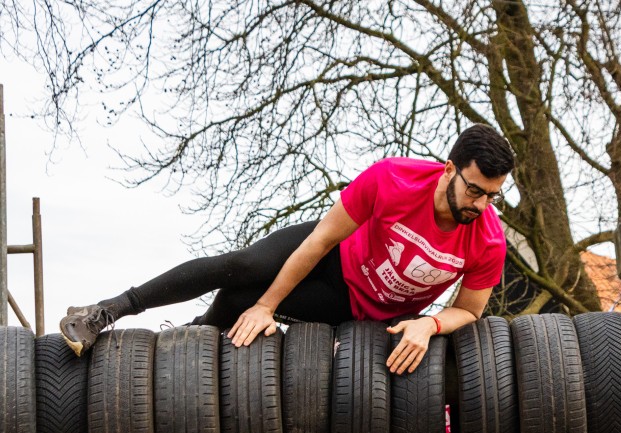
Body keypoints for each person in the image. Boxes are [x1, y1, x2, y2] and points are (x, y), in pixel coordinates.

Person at [59, 124, 515, 377]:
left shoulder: (488, 240)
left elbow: (469, 311)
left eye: (491, 196)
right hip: (334, 257)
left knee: (237, 305)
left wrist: (429, 324)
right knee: (241, 267)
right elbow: (320, 240)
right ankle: (104, 312)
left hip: (356, 308)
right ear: (449, 169)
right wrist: (268, 305)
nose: (480, 205)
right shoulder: (392, 179)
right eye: (474, 190)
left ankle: (187, 338)